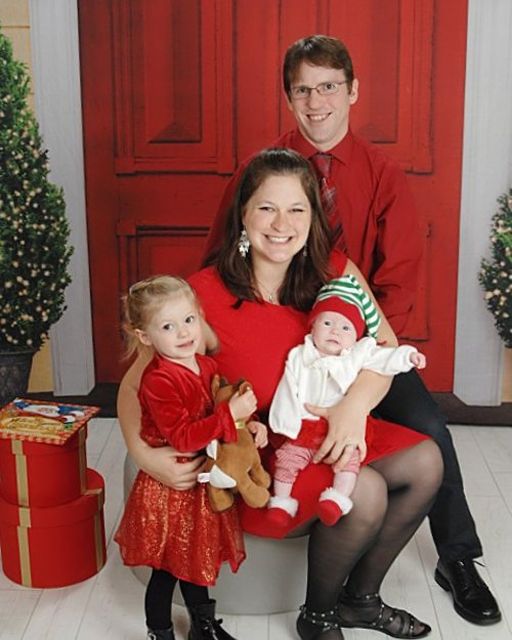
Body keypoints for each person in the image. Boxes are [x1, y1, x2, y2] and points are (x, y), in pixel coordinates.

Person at [202, 34, 501, 626]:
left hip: (360, 338)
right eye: (303, 90)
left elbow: (399, 280)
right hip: (281, 340)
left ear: (353, 91)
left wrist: (360, 373)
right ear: (289, 97)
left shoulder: (381, 173)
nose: (317, 103)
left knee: (430, 429)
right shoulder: (262, 172)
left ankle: (457, 558)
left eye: (329, 87)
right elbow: (220, 255)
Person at [119, 148, 443, 640]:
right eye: (267, 208)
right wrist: (144, 455)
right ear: (243, 214)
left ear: (313, 218)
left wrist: (353, 408)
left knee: (427, 463)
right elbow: (134, 384)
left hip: (328, 428)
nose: (281, 224)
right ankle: (318, 617)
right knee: (368, 491)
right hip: (262, 454)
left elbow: (386, 347)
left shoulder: (337, 271)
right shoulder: (203, 295)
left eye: (297, 209)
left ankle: (360, 600)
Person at [114, 275, 265, 640]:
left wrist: (248, 424)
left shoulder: (206, 366)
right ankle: (160, 630)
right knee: (166, 570)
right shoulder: (159, 380)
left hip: (199, 484)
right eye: (168, 326)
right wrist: (229, 415)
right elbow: (182, 437)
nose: (183, 332)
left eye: (189, 319)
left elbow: (222, 409)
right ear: (145, 336)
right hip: (170, 490)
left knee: (196, 558)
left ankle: (203, 625)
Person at [267, 274, 427, 528]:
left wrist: (408, 356)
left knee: (349, 461)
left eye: (345, 328)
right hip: (305, 426)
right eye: (327, 322)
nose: (335, 331)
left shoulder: (357, 354)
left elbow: (384, 359)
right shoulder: (300, 356)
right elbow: (288, 388)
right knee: (288, 459)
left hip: (344, 427)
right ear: (312, 326)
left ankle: (337, 498)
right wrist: (286, 424)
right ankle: (281, 502)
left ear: (356, 336)